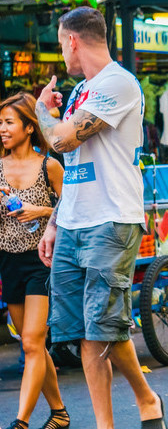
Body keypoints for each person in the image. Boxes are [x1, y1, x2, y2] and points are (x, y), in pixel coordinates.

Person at [33, 7, 167, 429]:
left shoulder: (118, 83)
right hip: (73, 221)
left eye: (60, 43)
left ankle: (136, 407)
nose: (62, 53)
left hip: (111, 220)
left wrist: (42, 112)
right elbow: (73, 166)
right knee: (84, 333)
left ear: (72, 40)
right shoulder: (79, 92)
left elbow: (62, 139)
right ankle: (129, 410)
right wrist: (55, 222)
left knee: (101, 330)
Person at [0, 93, 67, 429]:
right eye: (0, 123)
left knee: (30, 340)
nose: (2, 129)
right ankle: (59, 412)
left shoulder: (49, 166)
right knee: (33, 346)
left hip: (40, 261)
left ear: (29, 127)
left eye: (9, 122)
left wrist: (42, 210)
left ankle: (21, 421)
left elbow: (74, 206)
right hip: (8, 262)